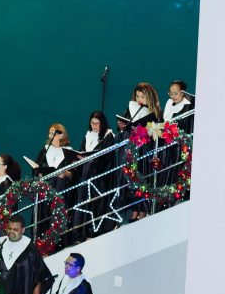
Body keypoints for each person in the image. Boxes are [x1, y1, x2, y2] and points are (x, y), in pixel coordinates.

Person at [116, 83, 162, 222]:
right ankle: (135, 209)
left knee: (142, 178)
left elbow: (158, 131)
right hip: (131, 150)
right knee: (132, 179)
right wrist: (122, 126)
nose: (139, 99)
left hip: (145, 151)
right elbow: (125, 126)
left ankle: (143, 210)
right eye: (137, 96)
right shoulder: (131, 109)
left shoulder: (155, 113)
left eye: (143, 96)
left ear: (150, 98)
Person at [71, 112, 117, 240]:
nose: (94, 126)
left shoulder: (108, 136)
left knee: (96, 204)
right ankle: (81, 234)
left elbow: (108, 158)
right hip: (85, 175)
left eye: (97, 123)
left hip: (99, 178)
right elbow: (82, 151)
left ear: (102, 123)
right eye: (92, 123)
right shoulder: (88, 135)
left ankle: (94, 232)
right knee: (83, 203)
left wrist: (94, 160)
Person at [32, 124, 78, 239]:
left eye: (53, 133)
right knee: (44, 218)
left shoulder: (69, 152)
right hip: (45, 190)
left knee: (58, 218)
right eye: (50, 133)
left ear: (61, 135)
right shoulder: (44, 150)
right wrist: (39, 173)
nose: (50, 136)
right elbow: (36, 169)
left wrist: (65, 173)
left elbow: (75, 173)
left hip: (62, 189)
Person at [159, 80, 194, 188]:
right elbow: (165, 120)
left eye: (176, 93)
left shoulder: (189, 106)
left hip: (180, 146)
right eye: (171, 93)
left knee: (177, 170)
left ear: (182, 93)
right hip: (167, 144)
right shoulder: (169, 103)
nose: (173, 96)